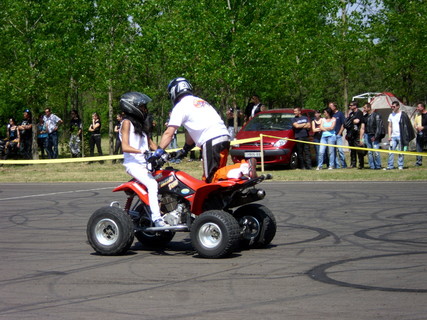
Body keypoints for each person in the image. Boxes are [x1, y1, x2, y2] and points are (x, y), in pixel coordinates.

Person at [153, 77, 241, 183]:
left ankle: (243, 167)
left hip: (211, 140)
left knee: (211, 178)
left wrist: (157, 153)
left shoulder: (180, 106)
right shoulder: (199, 101)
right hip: (223, 137)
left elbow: (169, 133)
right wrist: (184, 150)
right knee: (218, 178)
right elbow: (192, 133)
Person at [119, 91, 166, 227]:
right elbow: (125, 146)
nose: (145, 109)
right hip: (133, 164)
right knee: (152, 184)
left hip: (145, 164)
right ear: (132, 107)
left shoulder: (140, 124)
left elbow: (150, 143)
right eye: (142, 106)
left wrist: (163, 152)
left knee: (168, 179)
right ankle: (157, 219)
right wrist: (141, 151)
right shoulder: (126, 123)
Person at [384, 101, 415, 170]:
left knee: (400, 151)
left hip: (401, 136)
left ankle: (400, 165)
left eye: (394, 107)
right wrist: (389, 136)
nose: (392, 108)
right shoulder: (391, 115)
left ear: (398, 106)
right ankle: (390, 165)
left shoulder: (403, 115)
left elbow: (407, 126)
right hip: (393, 136)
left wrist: (406, 136)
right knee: (391, 151)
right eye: (392, 107)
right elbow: (389, 126)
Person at [360, 103, 384, 169]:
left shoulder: (376, 116)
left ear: (369, 108)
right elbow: (362, 128)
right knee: (369, 152)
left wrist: (376, 136)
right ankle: (372, 166)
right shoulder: (364, 117)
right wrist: (361, 138)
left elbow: (379, 127)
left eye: (365, 108)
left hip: (374, 135)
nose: (364, 109)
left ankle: (378, 166)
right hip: (367, 135)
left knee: (376, 152)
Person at [345, 101, 364, 169]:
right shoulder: (351, 113)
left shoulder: (359, 112)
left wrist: (351, 120)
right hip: (351, 133)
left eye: (351, 105)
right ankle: (353, 164)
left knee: (359, 149)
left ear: (355, 106)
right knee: (352, 150)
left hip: (357, 133)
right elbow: (347, 122)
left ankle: (361, 164)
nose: (350, 106)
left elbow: (357, 121)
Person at [329, 102, 347, 168]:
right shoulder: (330, 114)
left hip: (338, 135)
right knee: (333, 151)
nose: (330, 108)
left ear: (334, 106)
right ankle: (337, 165)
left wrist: (339, 133)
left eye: (331, 106)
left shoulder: (340, 114)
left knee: (340, 151)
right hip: (331, 135)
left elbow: (343, 124)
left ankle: (343, 165)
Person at [414, 102, 427, 166]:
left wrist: (423, 127)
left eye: (418, 107)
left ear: (422, 107)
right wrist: (416, 127)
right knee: (418, 148)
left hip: (426, 134)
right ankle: (418, 162)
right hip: (420, 134)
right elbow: (415, 123)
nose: (417, 108)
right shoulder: (418, 115)